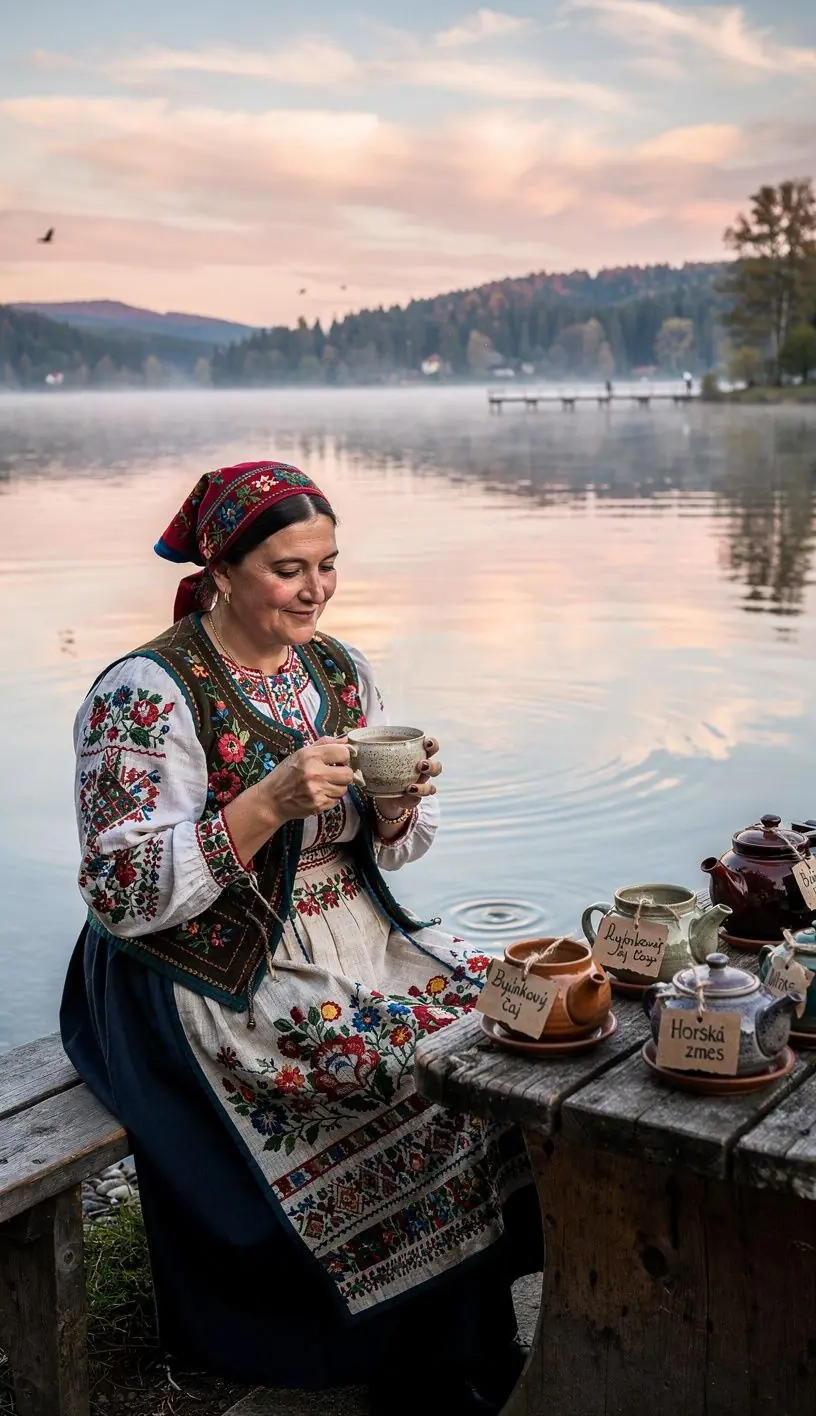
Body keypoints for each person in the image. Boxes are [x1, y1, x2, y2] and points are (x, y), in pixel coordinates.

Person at [60, 461, 542, 1415]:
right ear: (224, 568)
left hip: (350, 934)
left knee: (497, 1027)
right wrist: (266, 803)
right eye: (290, 569)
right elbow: (121, 893)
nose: (317, 589)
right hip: (201, 968)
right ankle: (388, 1351)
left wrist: (396, 807)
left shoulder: (337, 670)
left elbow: (387, 854)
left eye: (329, 564)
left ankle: (471, 1331)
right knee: (395, 1072)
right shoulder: (144, 695)